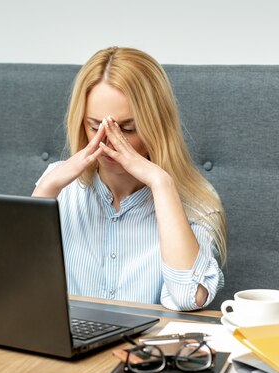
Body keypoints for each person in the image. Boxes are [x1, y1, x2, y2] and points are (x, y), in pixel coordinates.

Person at [33, 47, 227, 311]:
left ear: (156, 127)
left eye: (127, 129)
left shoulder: (196, 199)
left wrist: (161, 184)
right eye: (94, 126)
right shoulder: (57, 184)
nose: (109, 141)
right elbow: (11, 286)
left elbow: (187, 297)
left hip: (143, 350)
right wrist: (46, 189)